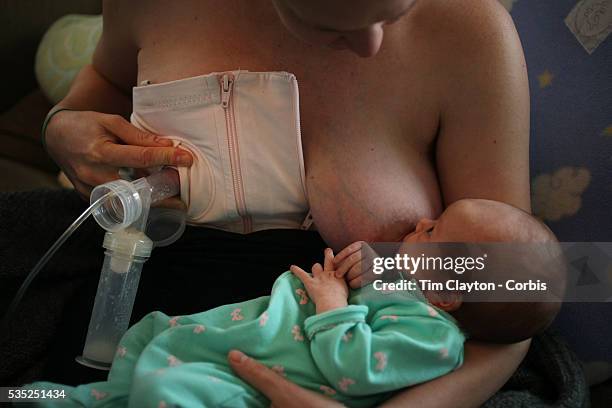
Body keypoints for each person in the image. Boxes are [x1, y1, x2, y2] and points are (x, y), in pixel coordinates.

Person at [34, 0, 532, 406]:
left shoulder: (475, 32)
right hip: (125, 336)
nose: (371, 44)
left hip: (339, 377)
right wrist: (61, 126)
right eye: (327, 19)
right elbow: (105, 81)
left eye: (396, 12)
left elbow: (522, 294)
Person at [27, 198, 561, 407]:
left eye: (433, 231)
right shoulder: (408, 291)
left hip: (249, 385)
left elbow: (356, 367)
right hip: (212, 342)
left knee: (167, 390)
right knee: (109, 382)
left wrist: (333, 302)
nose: (418, 224)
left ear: (446, 290)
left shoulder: (435, 339)